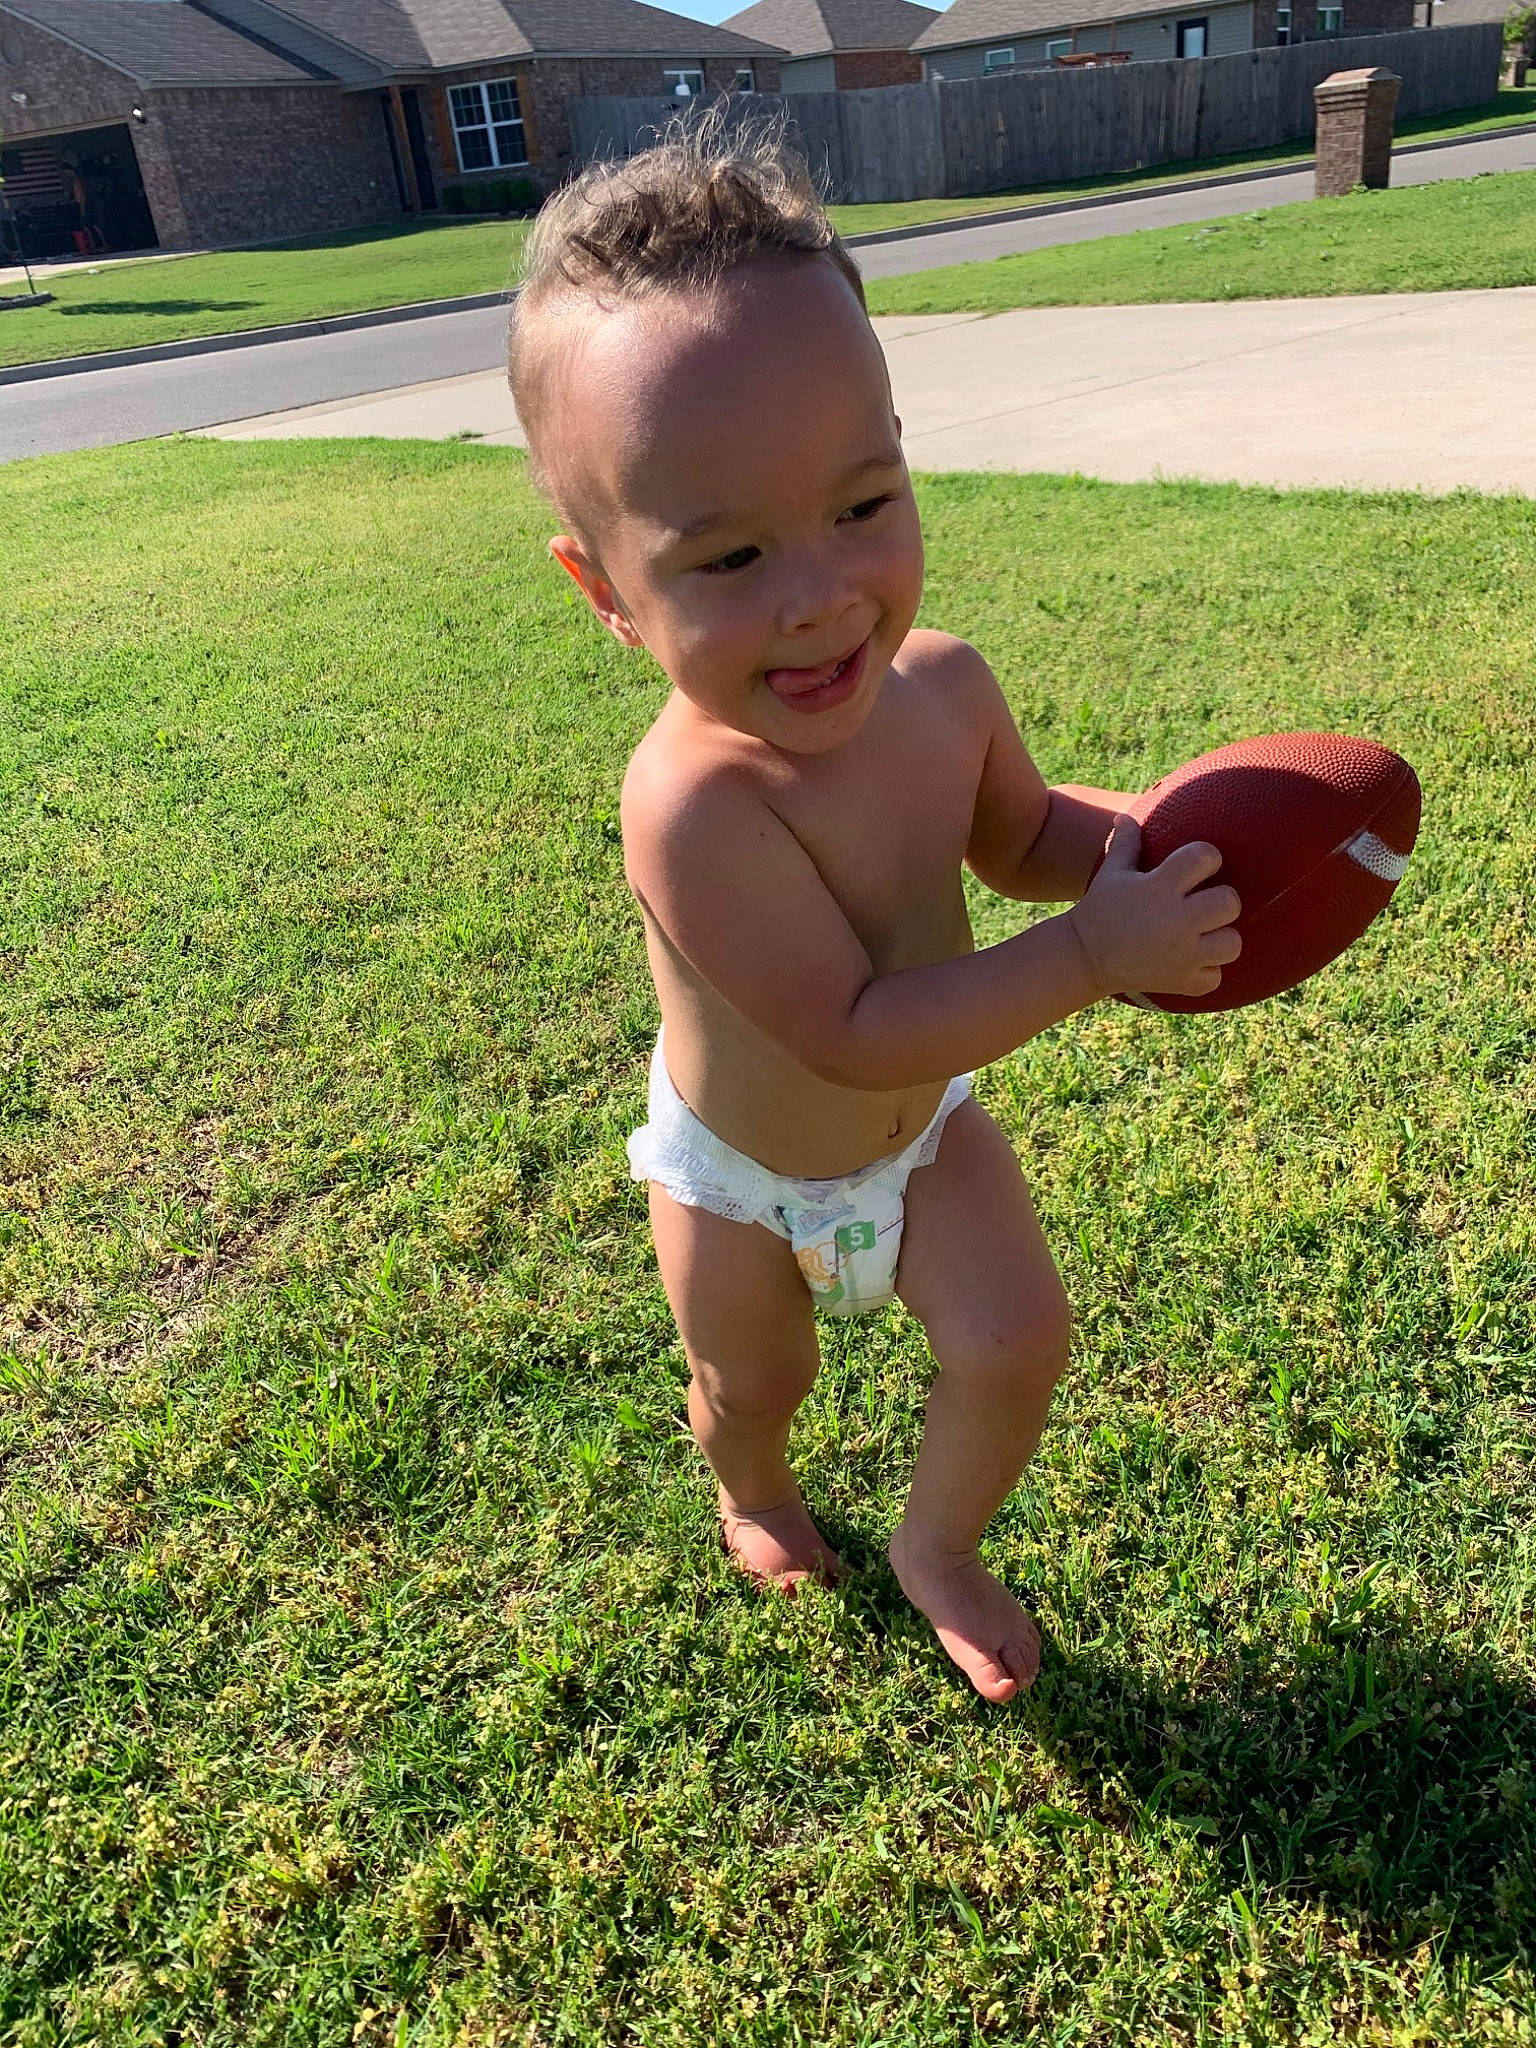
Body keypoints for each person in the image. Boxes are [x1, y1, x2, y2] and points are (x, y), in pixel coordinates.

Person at [507, 124, 1241, 1703]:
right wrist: (1091, 960)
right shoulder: (694, 806)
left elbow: (1032, 835)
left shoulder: (945, 688)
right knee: (751, 1378)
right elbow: (847, 1029)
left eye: (863, 503)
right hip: (743, 1170)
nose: (821, 593)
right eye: (731, 555)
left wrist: (1173, 835)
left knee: (1015, 1339)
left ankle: (939, 1546)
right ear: (606, 593)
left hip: (917, 1137)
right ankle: (751, 1489)